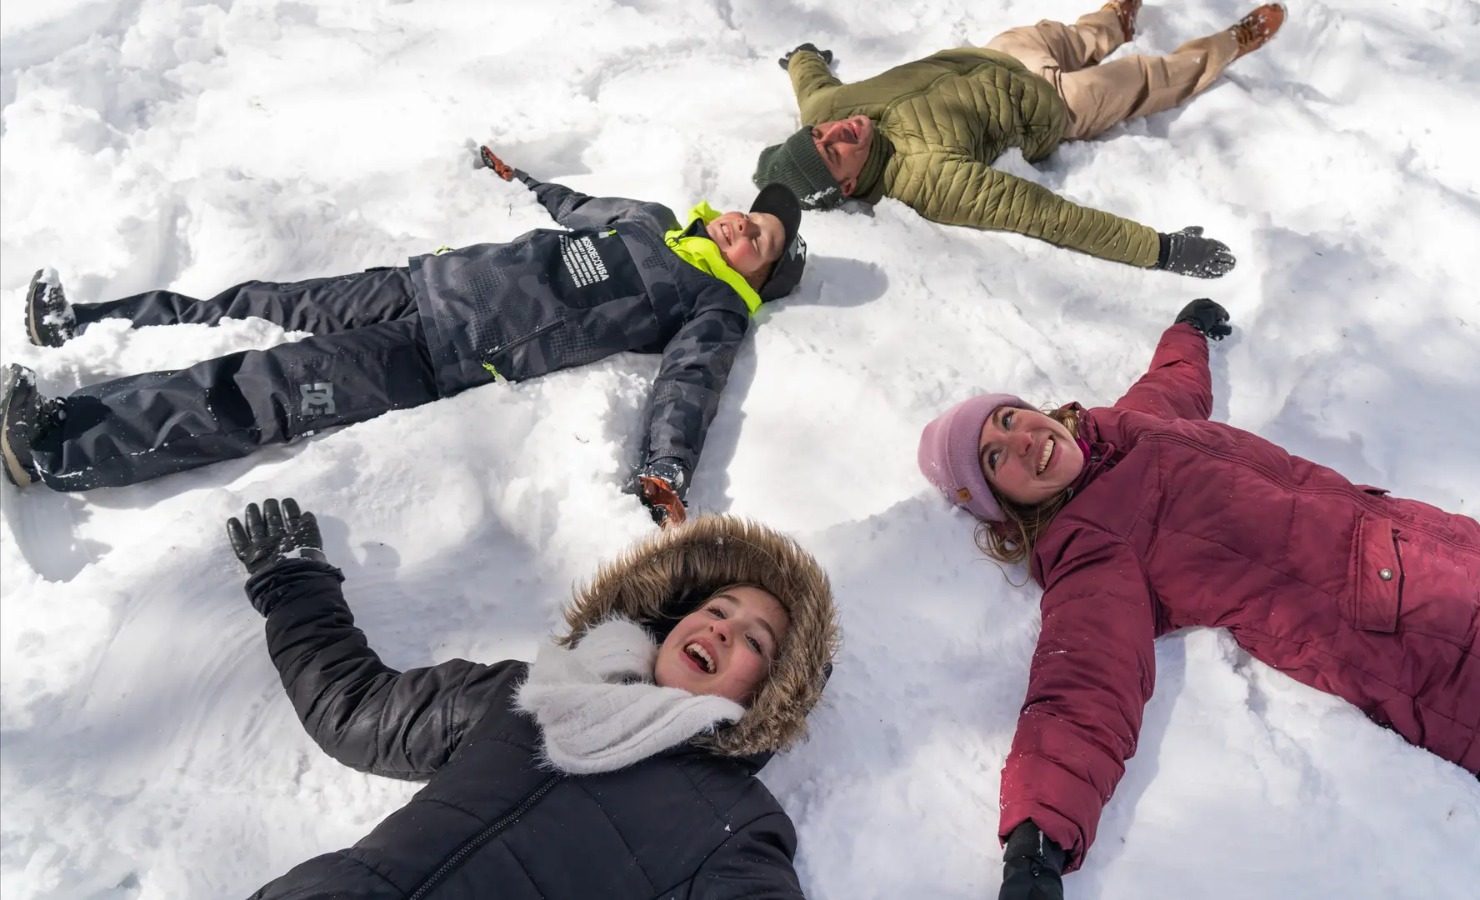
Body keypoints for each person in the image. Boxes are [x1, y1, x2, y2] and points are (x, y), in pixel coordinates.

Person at [917, 300, 1480, 898]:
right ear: (1000, 507)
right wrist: (1036, 841)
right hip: (1458, 676)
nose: (1023, 437)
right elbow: (1082, 690)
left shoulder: (1126, 426)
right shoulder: (1093, 553)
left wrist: (1187, 331)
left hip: (1460, 552)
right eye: (996, 456)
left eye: (1010, 417)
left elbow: (1171, 384)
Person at [2, 146, 809, 525]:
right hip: (418, 284)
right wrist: (517, 175)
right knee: (256, 299)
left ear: (756, 277)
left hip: (434, 356)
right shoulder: (654, 220)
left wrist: (663, 467)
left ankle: (57, 446)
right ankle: (87, 324)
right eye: (750, 215)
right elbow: (574, 207)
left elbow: (688, 387)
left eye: (759, 241)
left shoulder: (713, 304)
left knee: (263, 390)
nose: (742, 224)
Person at [224, 499, 840, 898]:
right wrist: (294, 583)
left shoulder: (732, 823)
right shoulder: (530, 692)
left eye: (754, 642)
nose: (723, 629)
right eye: (715, 609)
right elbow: (357, 709)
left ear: (768, 693)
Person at [753, 1, 1289, 277]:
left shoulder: (828, 111)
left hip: (1003, 53)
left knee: (1078, 34)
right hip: (1058, 105)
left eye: (817, 132)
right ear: (847, 186)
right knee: (1152, 78)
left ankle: (1115, 21)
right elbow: (1047, 216)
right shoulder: (929, 180)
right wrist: (1161, 249)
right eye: (831, 150)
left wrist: (803, 53)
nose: (834, 131)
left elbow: (810, 81)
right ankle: (1226, 46)